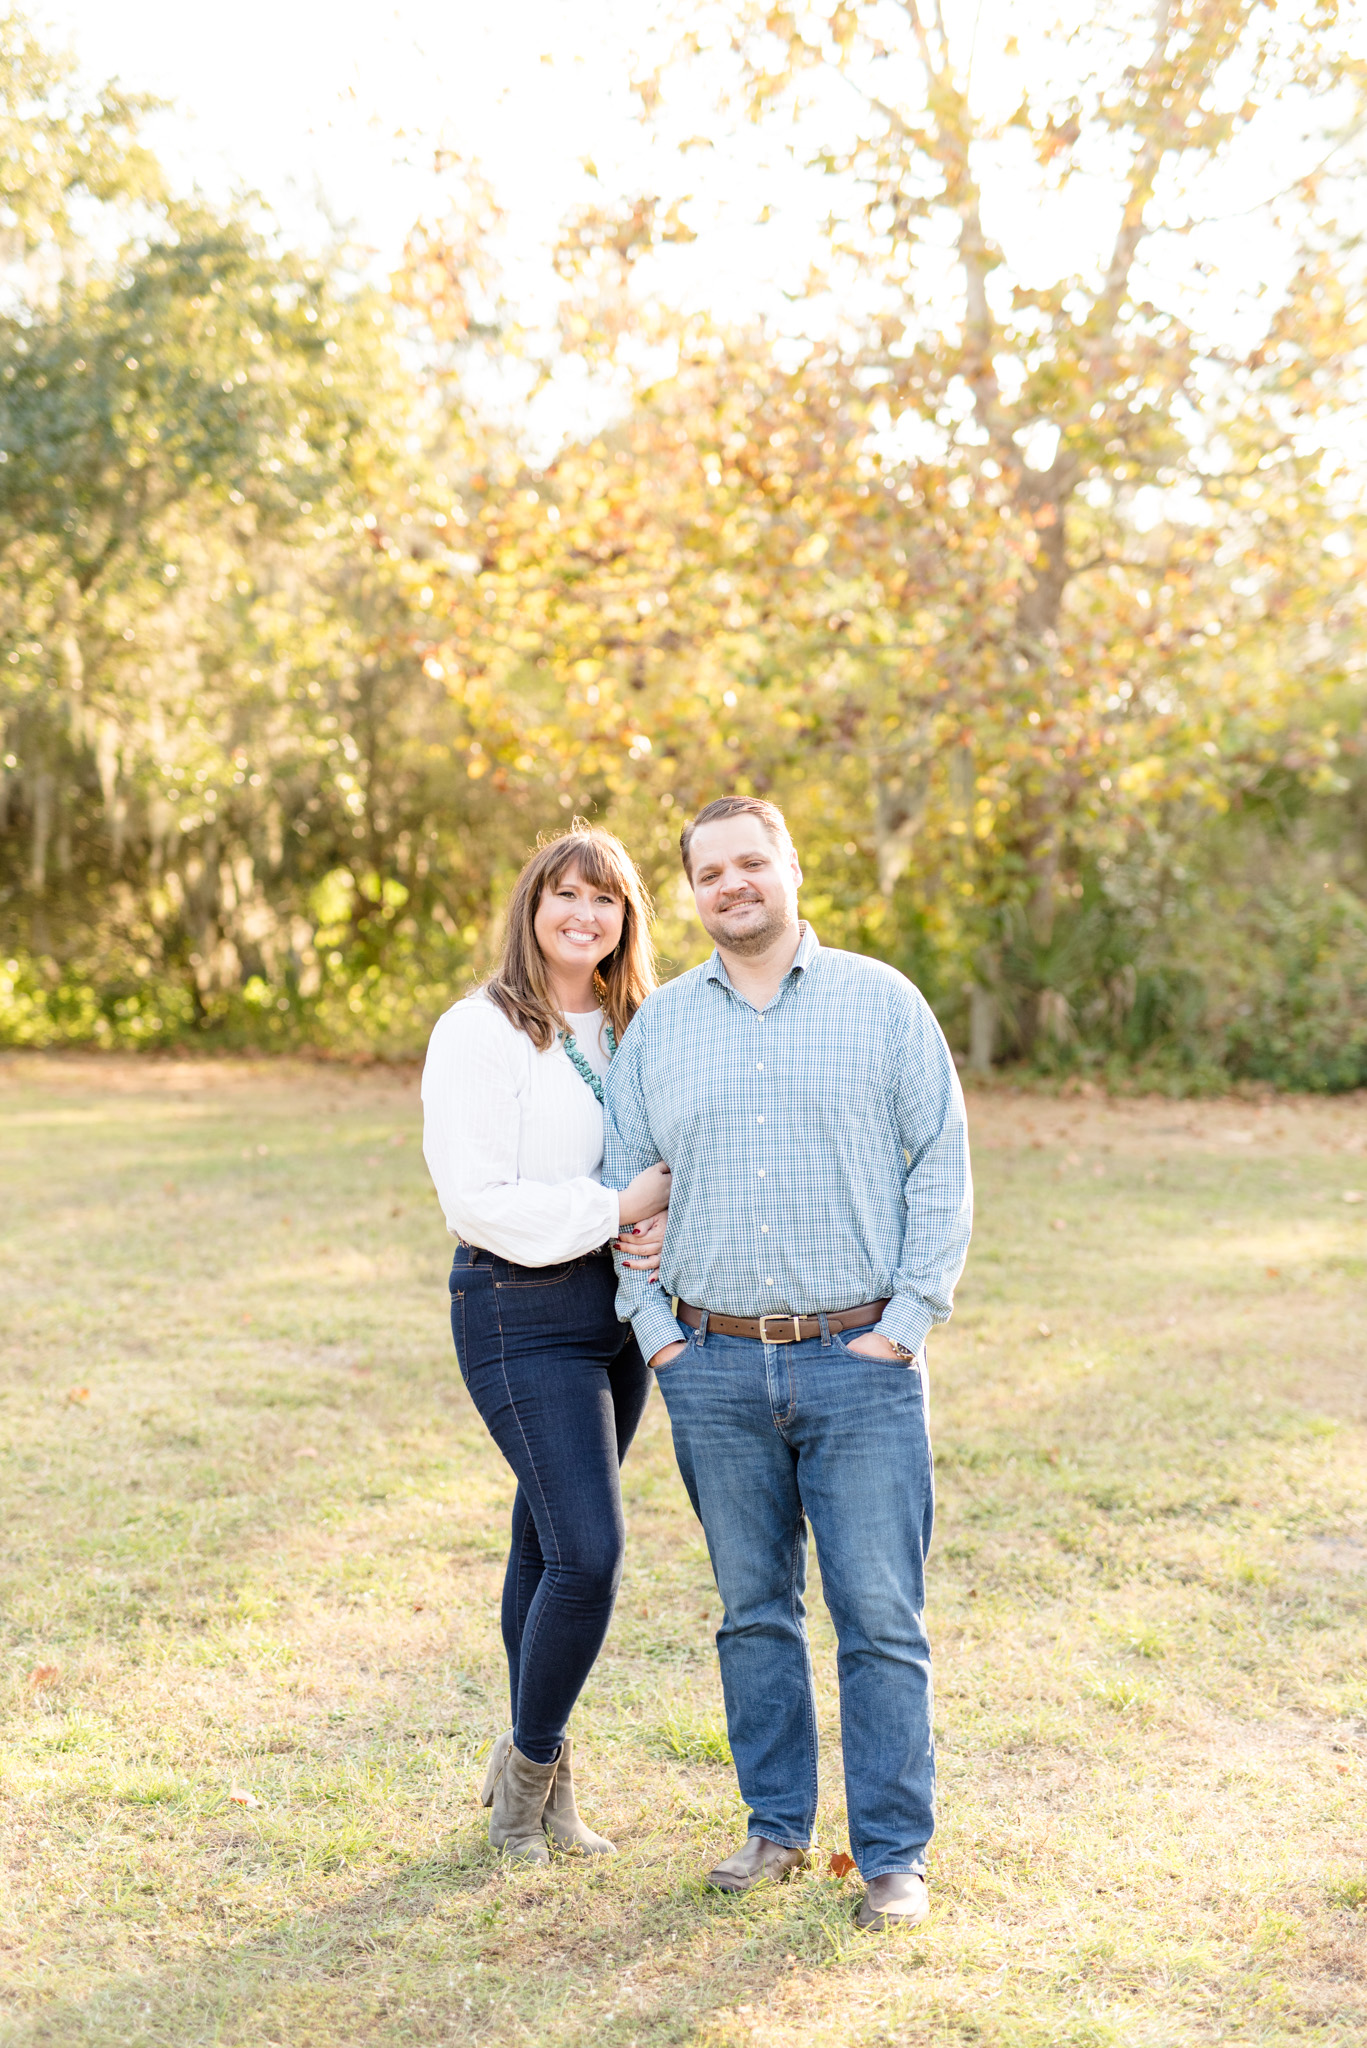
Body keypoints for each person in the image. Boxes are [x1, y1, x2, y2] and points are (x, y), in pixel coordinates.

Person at [603, 795, 972, 1931]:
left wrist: (905, 1322)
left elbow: (940, 1166)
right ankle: (773, 1825)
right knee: (751, 1611)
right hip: (710, 1363)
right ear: (693, 892)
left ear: (790, 869)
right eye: (707, 872)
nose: (730, 884)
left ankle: (891, 1855)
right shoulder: (658, 1029)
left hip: (859, 1362)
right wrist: (654, 1328)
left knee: (877, 1614)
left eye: (749, 862)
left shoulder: (882, 1002)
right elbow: (622, 1189)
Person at [422, 824, 672, 1864]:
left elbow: (667, 1150)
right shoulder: (480, 1030)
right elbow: (474, 1196)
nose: (584, 913)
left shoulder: (639, 1026)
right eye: (563, 893)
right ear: (531, 907)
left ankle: (533, 1774)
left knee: (543, 1545)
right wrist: (617, 1204)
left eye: (604, 897)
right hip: (516, 1305)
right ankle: (527, 1786)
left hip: (614, 1311)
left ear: (626, 918)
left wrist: (655, 1219)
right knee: (589, 1552)